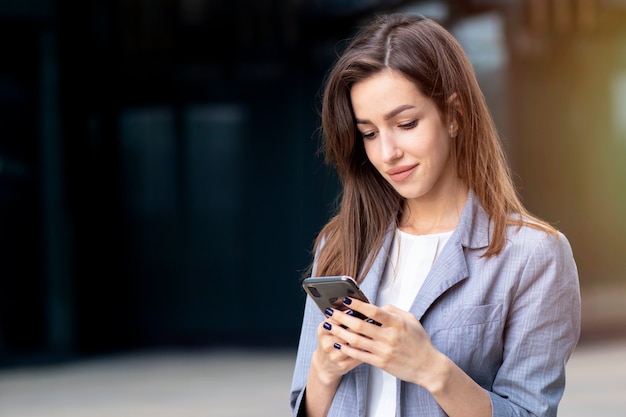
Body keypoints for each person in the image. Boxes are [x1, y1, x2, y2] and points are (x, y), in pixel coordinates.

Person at [289, 12, 581, 417]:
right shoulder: (339, 243)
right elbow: (302, 406)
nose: (387, 152)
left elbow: (530, 412)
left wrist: (432, 369)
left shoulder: (533, 256)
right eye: (369, 133)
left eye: (405, 123)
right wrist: (323, 371)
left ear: (454, 114)